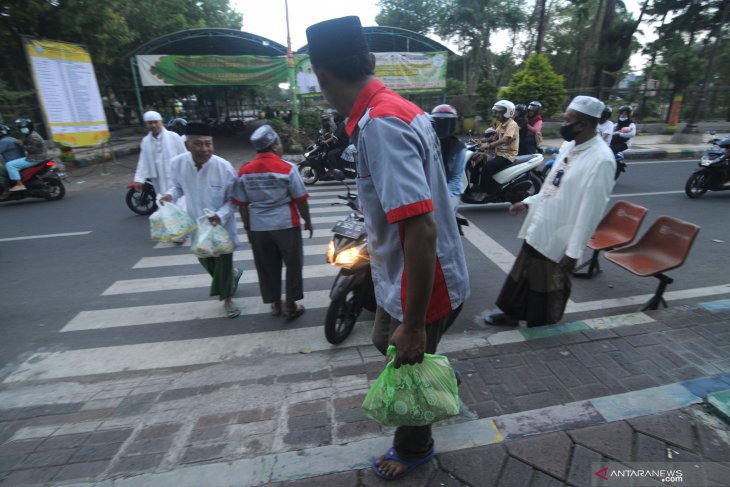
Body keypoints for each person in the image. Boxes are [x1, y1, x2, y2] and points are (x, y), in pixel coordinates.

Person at [306, 16, 470, 481]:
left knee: (405, 358)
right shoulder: (399, 108)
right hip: (399, 270)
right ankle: (441, 371)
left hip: (428, 276)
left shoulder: (381, 125)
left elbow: (420, 229)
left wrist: (416, 325)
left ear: (320, 76)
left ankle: (416, 448)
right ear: (371, 62)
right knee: (382, 339)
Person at [483, 96, 616, 328]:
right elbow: (552, 184)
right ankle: (511, 314)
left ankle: (541, 324)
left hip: (561, 234)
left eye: (568, 119)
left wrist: (573, 252)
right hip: (541, 222)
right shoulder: (572, 147)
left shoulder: (602, 160)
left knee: (547, 284)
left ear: (583, 124)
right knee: (523, 274)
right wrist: (527, 202)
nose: (563, 124)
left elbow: (591, 212)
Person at [159, 122, 242, 319]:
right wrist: (170, 195)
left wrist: (220, 216)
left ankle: (227, 300)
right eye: (198, 144)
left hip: (221, 225)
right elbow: (177, 187)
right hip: (197, 223)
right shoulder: (177, 164)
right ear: (187, 145)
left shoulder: (224, 167)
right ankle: (233, 275)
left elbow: (234, 200)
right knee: (206, 261)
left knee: (222, 262)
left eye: (208, 144)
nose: (205, 149)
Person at [231, 124, 313, 319]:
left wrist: (248, 228)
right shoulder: (287, 168)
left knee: (267, 266)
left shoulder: (244, 171)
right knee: (293, 265)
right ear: (274, 145)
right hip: (285, 224)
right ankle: (291, 305)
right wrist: (308, 222)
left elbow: (242, 204)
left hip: (258, 227)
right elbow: (300, 198)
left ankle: (275, 304)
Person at [466, 99, 519, 202]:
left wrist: (489, 145)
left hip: (507, 155)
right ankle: (475, 185)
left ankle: (484, 192)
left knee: (487, 167)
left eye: (500, 112)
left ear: (508, 112)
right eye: (497, 112)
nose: (498, 114)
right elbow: (493, 137)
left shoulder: (512, 124)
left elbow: (505, 139)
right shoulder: (501, 124)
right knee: (477, 159)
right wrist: (479, 141)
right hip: (498, 154)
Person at [134, 111, 187, 196]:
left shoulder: (173, 137)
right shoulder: (145, 141)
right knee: (162, 201)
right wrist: (139, 179)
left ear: (161, 122)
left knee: (179, 200)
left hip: (175, 176)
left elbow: (184, 155)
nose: (153, 125)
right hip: (158, 178)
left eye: (155, 122)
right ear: (146, 124)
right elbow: (143, 161)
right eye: (150, 123)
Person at [431, 104, 467, 212]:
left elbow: (456, 177)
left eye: (446, 123)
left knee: (446, 213)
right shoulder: (428, 143)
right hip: (430, 191)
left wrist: (443, 196)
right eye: (439, 123)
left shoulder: (458, 147)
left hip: (451, 191)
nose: (442, 127)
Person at [6, 118, 48, 192]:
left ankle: (19, 184)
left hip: (35, 158)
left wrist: (21, 144)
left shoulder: (33, 137)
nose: (22, 129)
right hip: (38, 157)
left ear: (29, 127)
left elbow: (32, 149)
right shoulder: (32, 134)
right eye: (21, 128)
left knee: (10, 165)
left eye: (24, 128)